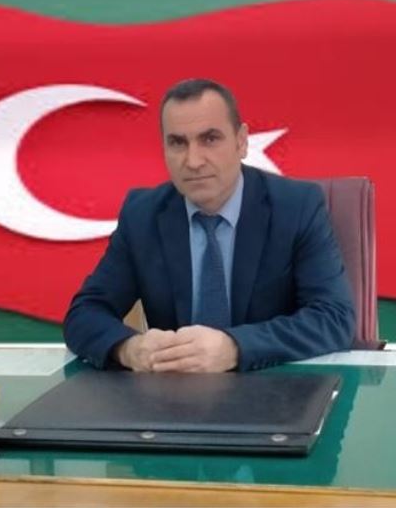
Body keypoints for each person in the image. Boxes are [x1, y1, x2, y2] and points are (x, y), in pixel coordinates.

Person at [63, 79, 355, 372]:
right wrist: (128, 349)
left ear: (241, 142)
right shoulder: (143, 215)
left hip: (276, 386)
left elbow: (333, 318)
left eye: (210, 139)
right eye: (178, 143)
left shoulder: (296, 206)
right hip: (175, 393)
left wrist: (235, 348)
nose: (193, 161)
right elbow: (84, 314)